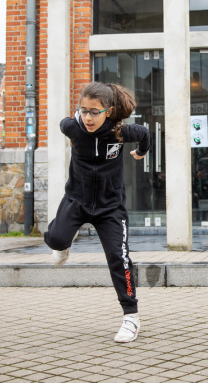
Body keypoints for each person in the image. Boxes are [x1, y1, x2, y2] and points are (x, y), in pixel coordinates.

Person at [44, 82, 150, 343]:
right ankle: (64, 245)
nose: (88, 118)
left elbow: (145, 133)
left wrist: (140, 152)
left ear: (109, 112)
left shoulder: (121, 132)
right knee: (56, 239)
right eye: (84, 111)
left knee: (118, 257)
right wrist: (74, 126)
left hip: (110, 207)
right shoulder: (72, 127)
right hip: (77, 200)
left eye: (94, 112)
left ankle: (131, 318)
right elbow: (62, 124)